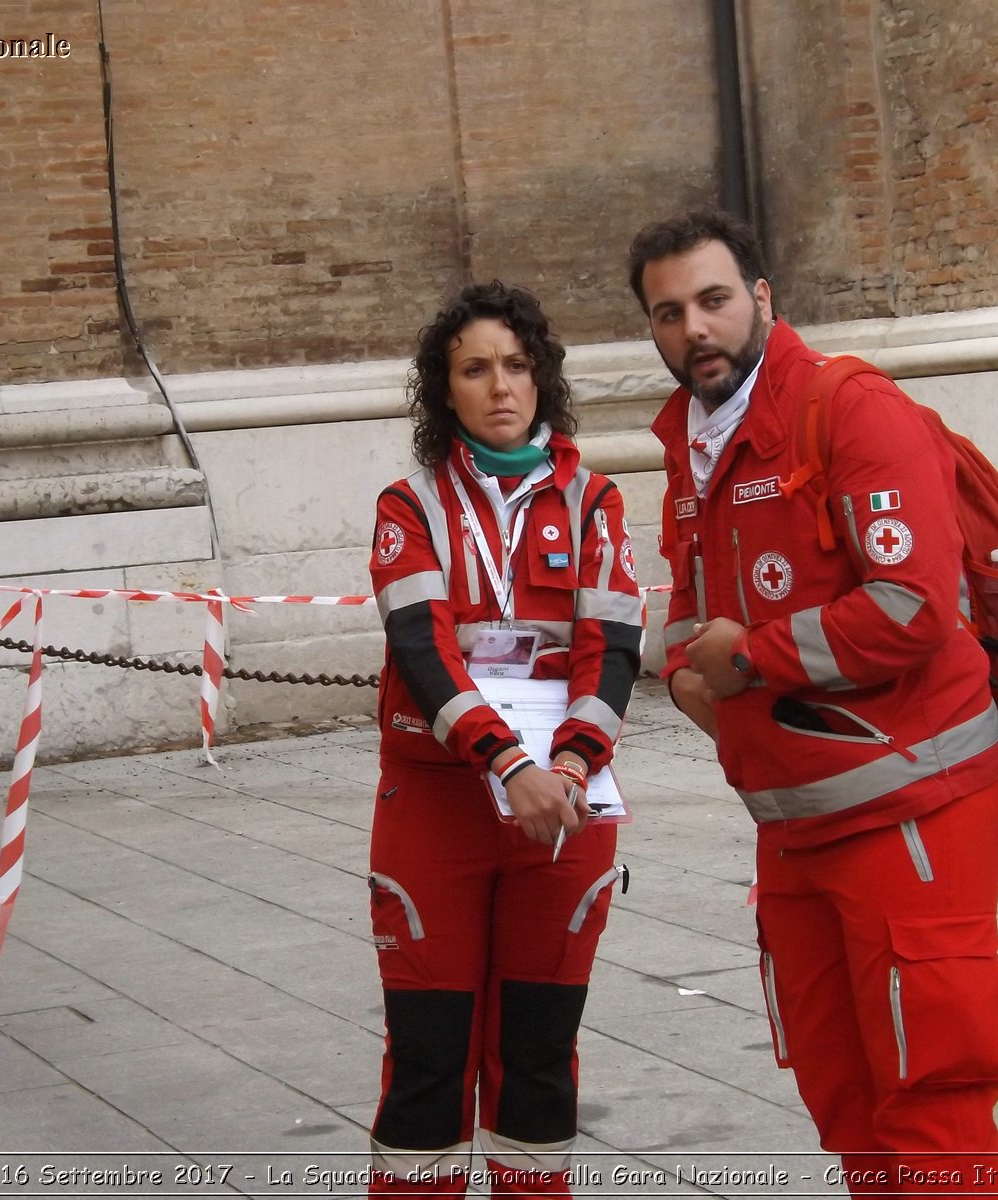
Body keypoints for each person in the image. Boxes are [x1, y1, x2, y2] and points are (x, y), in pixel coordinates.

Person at [628, 209, 998, 1197]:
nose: (694, 329)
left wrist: (751, 662)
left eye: (713, 301)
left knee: (929, 1103)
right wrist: (686, 667)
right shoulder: (690, 440)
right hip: (794, 823)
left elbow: (912, 607)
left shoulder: (847, 408)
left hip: (912, 808)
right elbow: (691, 614)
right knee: (844, 1100)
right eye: (668, 313)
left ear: (761, 298)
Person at [366, 281, 641, 1198]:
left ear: (542, 378)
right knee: (429, 1067)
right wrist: (506, 761)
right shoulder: (409, 504)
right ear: (445, 391)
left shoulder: (597, 502)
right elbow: (422, 646)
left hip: (562, 809)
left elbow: (616, 648)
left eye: (516, 366)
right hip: (440, 809)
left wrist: (565, 765)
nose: (499, 386)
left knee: (538, 1059)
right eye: (474, 369)